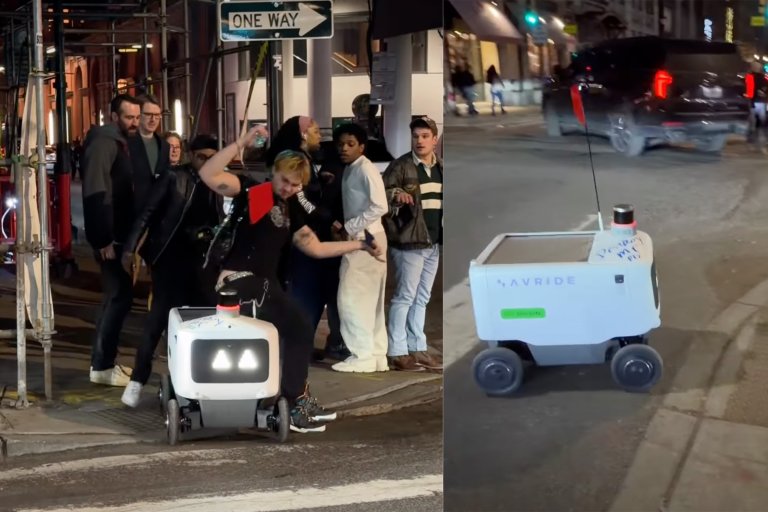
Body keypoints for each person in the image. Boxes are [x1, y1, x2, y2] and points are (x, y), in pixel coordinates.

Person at [198, 126, 384, 433]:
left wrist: (361, 245)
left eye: (294, 185)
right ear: (273, 173)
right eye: (284, 180)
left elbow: (316, 247)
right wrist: (242, 143)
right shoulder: (254, 194)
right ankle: (295, 402)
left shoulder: (289, 210)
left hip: (265, 286)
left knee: (296, 327)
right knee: (297, 323)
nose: (287, 188)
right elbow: (209, 173)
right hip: (238, 283)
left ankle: (289, 399)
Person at [120, 134, 224, 407]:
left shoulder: (220, 181)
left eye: (212, 157)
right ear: (191, 154)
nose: (207, 162)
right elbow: (147, 213)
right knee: (158, 320)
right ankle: (137, 380)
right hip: (169, 258)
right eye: (202, 156)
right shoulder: (173, 177)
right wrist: (130, 249)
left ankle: (201, 380)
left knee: (207, 321)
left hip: (203, 262)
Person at [265, 116, 350, 361]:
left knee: (310, 295)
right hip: (301, 238)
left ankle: (298, 345)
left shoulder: (306, 160)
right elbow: (301, 201)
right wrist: (329, 219)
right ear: (303, 135)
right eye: (314, 131)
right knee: (305, 296)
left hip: (300, 236)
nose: (319, 136)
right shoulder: (296, 160)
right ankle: (294, 347)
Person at [81, 94, 141, 386]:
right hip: (111, 236)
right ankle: (102, 365)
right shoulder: (105, 143)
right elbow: (96, 191)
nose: (135, 122)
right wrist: (103, 238)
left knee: (118, 297)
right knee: (117, 297)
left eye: (137, 117)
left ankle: (104, 363)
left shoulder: (120, 143)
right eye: (129, 117)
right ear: (113, 116)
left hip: (118, 234)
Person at [382, 117, 443, 371]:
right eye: (416, 136)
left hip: (433, 242)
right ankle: (397, 351)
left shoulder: (440, 167)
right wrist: (396, 195)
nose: (419, 141)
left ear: (434, 139)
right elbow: (383, 194)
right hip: (408, 242)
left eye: (425, 136)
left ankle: (417, 347)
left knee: (422, 297)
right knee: (405, 296)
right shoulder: (401, 166)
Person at [331, 123, 389, 373]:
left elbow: (380, 206)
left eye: (350, 144)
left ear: (362, 147)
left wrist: (349, 226)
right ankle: (376, 355)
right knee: (370, 300)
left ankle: (362, 355)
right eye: (341, 143)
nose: (344, 148)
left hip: (366, 238)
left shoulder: (365, 169)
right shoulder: (353, 168)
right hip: (368, 236)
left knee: (351, 299)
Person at [129, 94, 170, 214]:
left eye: (157, 115)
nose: (153, 119)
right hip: (132, 210)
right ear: (138, 116)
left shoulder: (164, 145)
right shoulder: (126, 143)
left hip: (157, 210)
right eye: (148, 115)